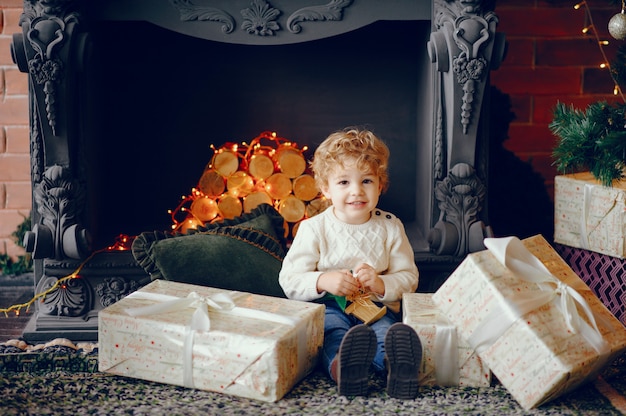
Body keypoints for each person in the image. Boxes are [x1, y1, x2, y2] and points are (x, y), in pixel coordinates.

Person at [279, 127, 422, 399]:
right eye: (344, 182)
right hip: (329, 305)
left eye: (366, 180)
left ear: (380, 185)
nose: (357, 191)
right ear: (325, 189)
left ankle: (398, 368)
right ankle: (344, 369)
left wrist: (382, 284)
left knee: (386, 332)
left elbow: (408, 276)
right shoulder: (314, 228)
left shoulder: (390, 227)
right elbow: (289, 278)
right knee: (333, 334)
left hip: (374, 306)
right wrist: (322, 280)